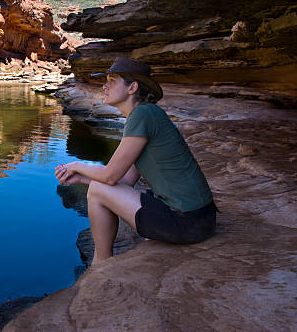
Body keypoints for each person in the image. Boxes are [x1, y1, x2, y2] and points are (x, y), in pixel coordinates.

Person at [55, 57, 217, 266]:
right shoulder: (147, 115)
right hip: (202, 219)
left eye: (112, 80)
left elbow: (110, 176)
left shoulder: (142, 115)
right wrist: (83, 179)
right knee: (97, 188)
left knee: (96, 191)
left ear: (132, 87)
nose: (105, 85)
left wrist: (77, 165)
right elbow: (123, 181)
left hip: (188, 223)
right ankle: (102, 262)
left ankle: (101, 265)